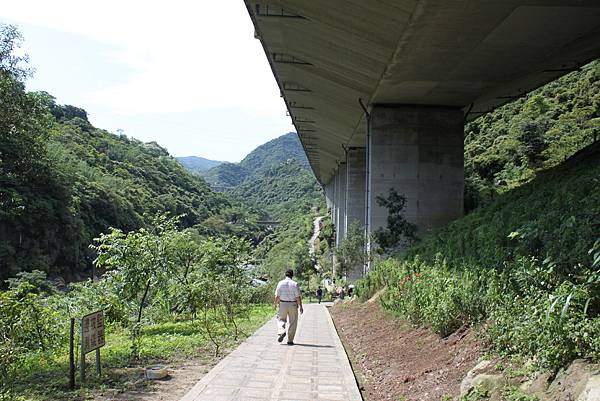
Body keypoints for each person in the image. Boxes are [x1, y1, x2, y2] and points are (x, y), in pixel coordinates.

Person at [274, 269, 303, 345]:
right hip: (293, 304)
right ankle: (290, 340)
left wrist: (275, 304)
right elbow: (298, 297)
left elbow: (277, 296)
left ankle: (281, 331)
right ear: (292, 275)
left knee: (280, 319)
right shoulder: (295, 284)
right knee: (293, 322)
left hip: (282, 304)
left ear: (285, 274)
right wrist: (300, 307)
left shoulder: (280, 283)